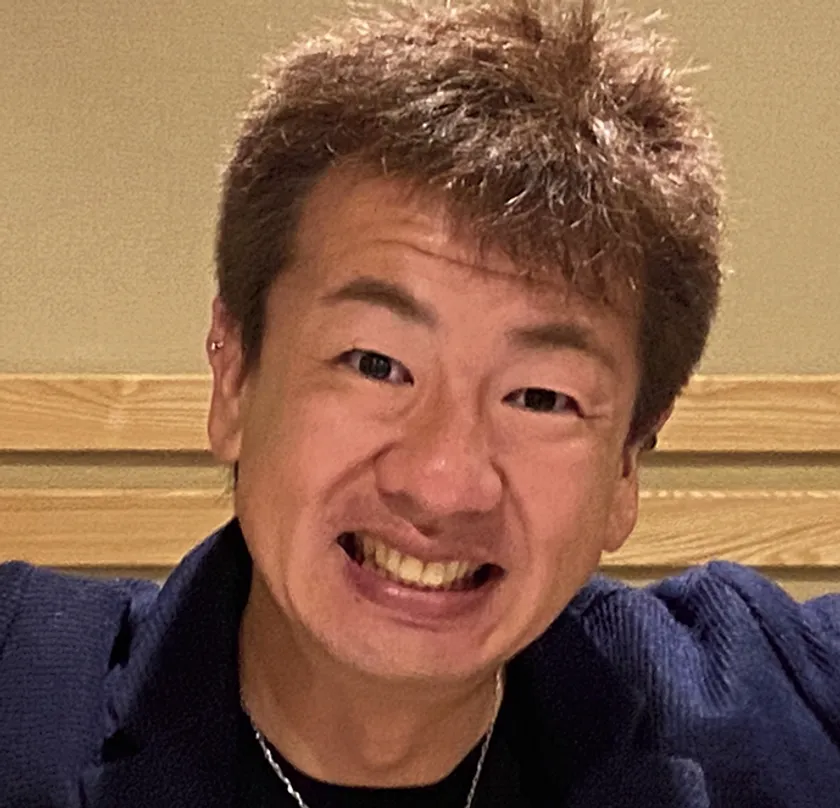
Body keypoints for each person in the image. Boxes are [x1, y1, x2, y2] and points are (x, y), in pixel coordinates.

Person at [1, 1, 838, 806]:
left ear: (626, 468)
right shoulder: (25, 690)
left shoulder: (779, 707)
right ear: (236, 379)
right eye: (376, 363)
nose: (441, 483)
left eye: (540, 397)